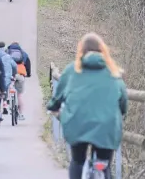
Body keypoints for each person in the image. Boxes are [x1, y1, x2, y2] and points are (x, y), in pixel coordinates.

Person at [47, 32, 128, 179]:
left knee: (78, 160)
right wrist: (121, 113)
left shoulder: (72, 70)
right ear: (103, 50)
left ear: (81, 50)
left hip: (77, 124)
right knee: (104, 164)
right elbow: (123, 101)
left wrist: (53, 108)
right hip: (107, 126)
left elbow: (57, 97)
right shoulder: (114, 71)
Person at [7, 42, 31, 120]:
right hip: (20, 74)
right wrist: (28, 74)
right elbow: (28, 65)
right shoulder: (23, 53)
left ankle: (9, 103)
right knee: (19, 95)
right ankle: (20, 114)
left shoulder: (7, 52)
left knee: (9, 87)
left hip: (10, 74)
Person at [0, 41, 17, 115]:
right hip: (7, 77)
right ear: (4, 47)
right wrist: (14, 75)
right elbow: (14, 66)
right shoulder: (8, 56)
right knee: (5, 90)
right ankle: (5, 106)